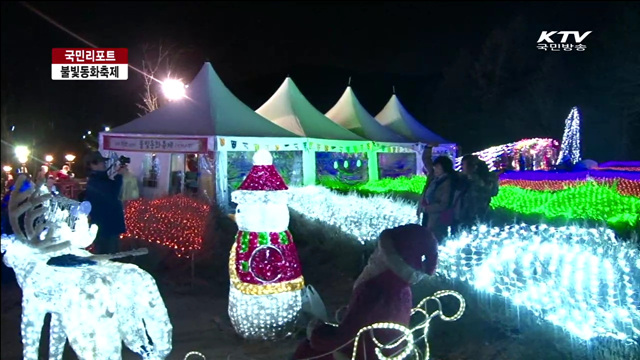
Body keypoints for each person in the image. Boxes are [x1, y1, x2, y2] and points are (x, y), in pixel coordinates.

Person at [293, 224, 438, 360]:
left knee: (306, 350)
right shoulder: (401, 288)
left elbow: (344, 340)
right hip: (386, 351)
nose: (373, 257)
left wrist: (316, 332)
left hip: (362, 353)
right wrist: (349, 314)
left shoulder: (375, 290)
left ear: (389, 258)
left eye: (378, 252)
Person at [83, 151, 127, 254]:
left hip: (108, 225)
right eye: (101, 162)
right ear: (93, 165)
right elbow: (112, 193)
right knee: (107, 255)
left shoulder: (99, 178)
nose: (104, 164)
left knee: (110, 253)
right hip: (105, 226)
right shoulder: (95, 181)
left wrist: (118, 174)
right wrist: (119, 176)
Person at [417, 145, 456, 242]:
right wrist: (428, 148)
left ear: (444, 168)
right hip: (427, 213)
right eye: (435, 167)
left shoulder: (448, 183)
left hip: (437, 217)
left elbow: (444, 204)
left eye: (438, 167)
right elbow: (426, 160)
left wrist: (427, 208)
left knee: (435, 240)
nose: (435, 169)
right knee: (425, 237)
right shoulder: (434, 177)